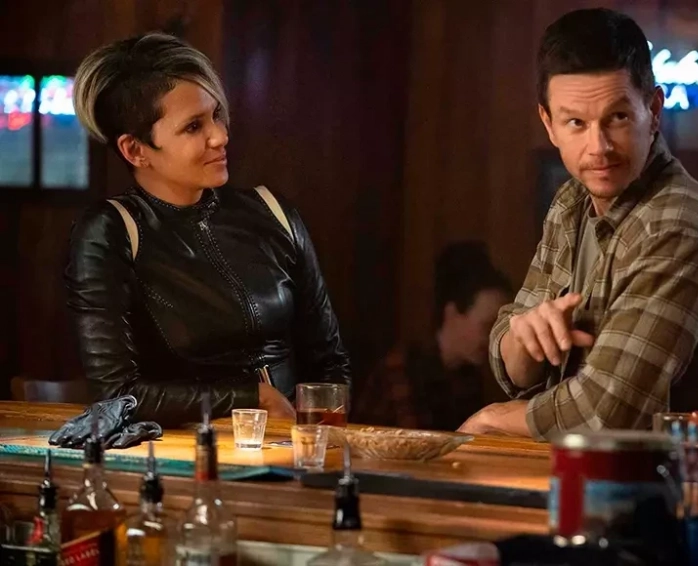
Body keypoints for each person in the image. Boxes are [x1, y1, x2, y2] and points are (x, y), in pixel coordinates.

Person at [458, 8, 698, 438]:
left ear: (653, 110)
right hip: (573, 473)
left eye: (617, 118)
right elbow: (510, 357)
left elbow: (608, 413)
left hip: (677, 480)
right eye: (576, 123)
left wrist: (493, 418)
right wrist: (524, 342)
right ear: (549, 124)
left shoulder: (681, 225)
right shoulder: (571, 201)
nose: (598, 147)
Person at [65, 32, 350, 425]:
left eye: (216, 115)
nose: (220, 135)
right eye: (193, 127)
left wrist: (319, 441)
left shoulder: (272, 212)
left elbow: (329, 362)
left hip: (294, 445)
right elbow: (117, 395)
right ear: (136, 150)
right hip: (188, 449)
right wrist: (252, 398)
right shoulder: (110, 232)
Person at [353, 242, 512, 430]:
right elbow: (418, 442)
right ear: (452, 313)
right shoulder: (401, 369)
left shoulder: (469, 376)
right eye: (487, 326)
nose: (494, 338)